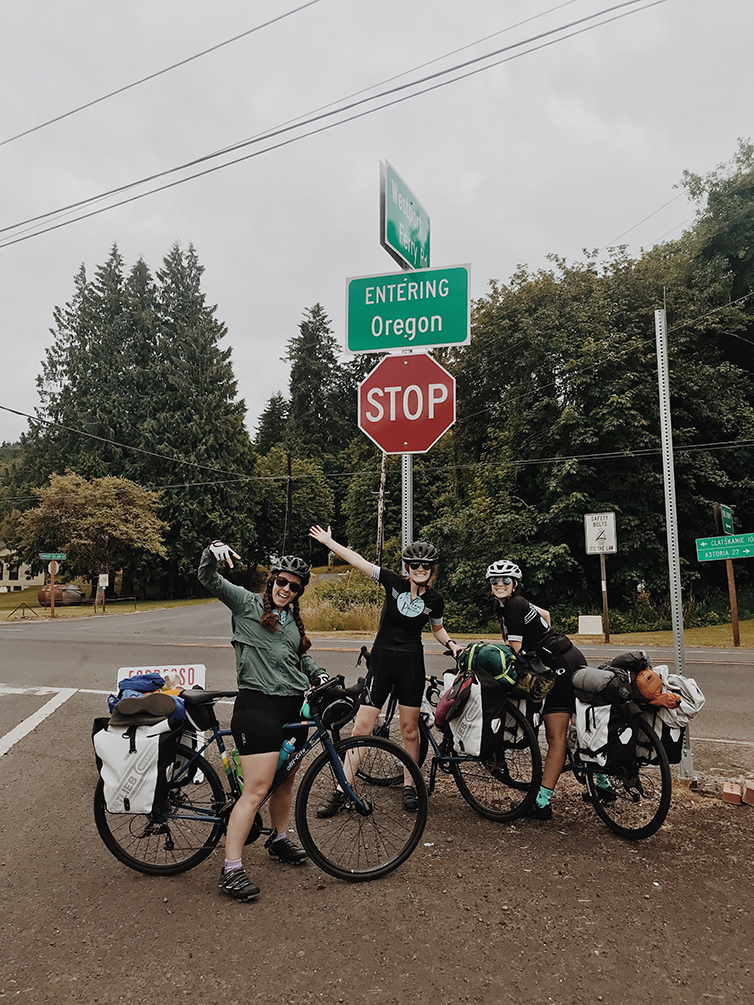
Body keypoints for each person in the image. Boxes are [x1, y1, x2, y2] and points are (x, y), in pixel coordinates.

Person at [198, 540, 328, 901]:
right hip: (258, 707)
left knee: (284, 783)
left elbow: (300, 659)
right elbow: (208, 578)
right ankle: (231, 870)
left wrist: (318, 674)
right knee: (255, 790)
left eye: (294, 586)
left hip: (291, 708)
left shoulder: (291, 623)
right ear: (272, 580)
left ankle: (279, 838)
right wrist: (212, 552)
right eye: (281, 582)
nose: (286, 589)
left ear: (299, 591)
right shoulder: (246, 604)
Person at [309, 525, 462, 812]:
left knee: (409, 730)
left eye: (425, 565)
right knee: (361, 727)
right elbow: (358, 560)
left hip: (411, 664)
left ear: (432, 569)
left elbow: (437, 629)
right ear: (407, 566)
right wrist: (330, 542)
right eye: (415, 564)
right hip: (381, 661)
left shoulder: (434, 600)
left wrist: (451, 643)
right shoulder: (393, 582)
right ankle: (343, 790)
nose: (420, 569)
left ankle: (409, 786)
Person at [485, 559, 611, 821]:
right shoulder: (520, 603)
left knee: (557, 738)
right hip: (572, 656)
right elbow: (545, 616)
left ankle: (542, 803)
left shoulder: (511, 607)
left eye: (505, 580)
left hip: (557, 669)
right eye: (495, 581)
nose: (500, 584)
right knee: (582, 724)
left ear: (514, 584)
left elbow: (515, 653)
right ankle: (602, 783)